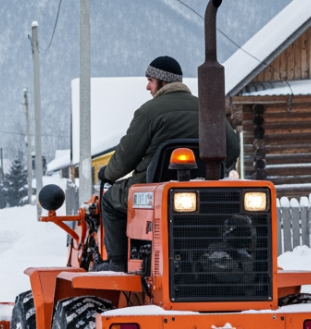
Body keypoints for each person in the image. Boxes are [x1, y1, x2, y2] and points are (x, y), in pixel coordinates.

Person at [95, 56, 239, 270]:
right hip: (203, 191)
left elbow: (125, 157)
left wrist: (107, 174)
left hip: (154, 189)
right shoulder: (208, 108)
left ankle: (117, 263)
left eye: (150, 80)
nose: (147, 87)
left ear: (163, 82)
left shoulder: (149, 112)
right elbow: (233, 148)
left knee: (109, 202)